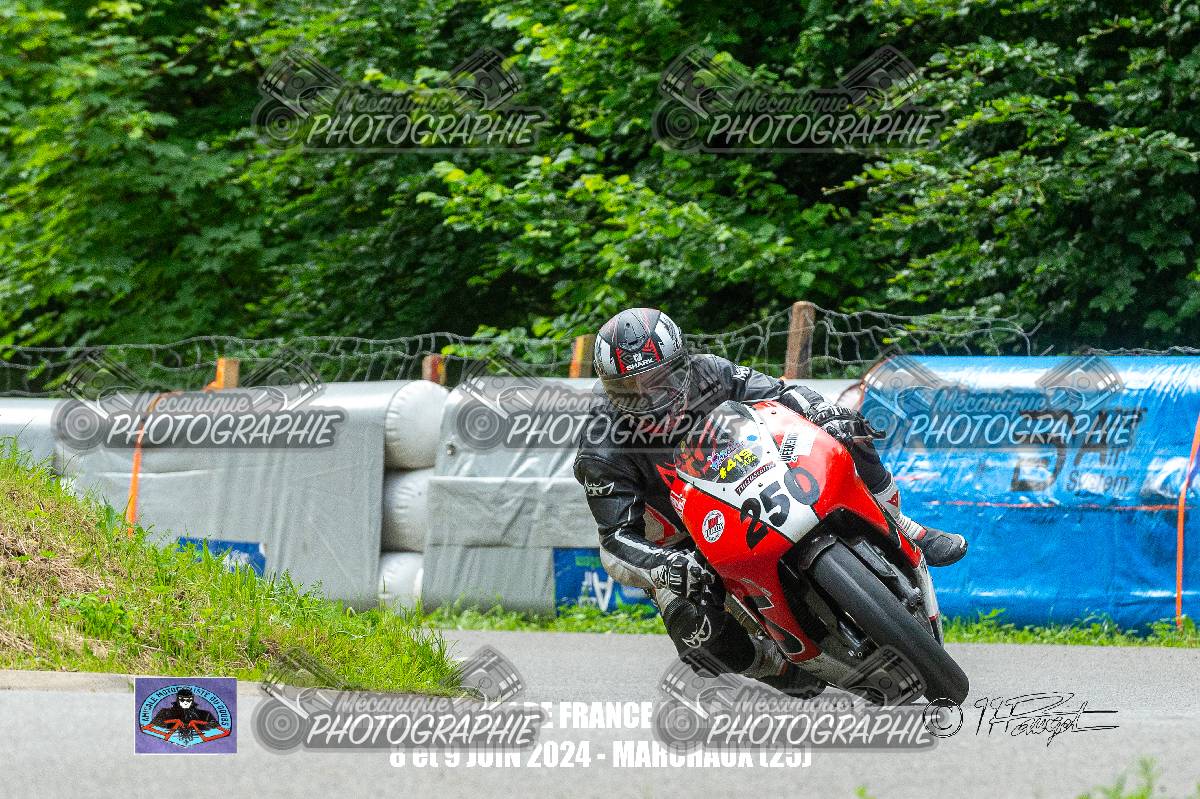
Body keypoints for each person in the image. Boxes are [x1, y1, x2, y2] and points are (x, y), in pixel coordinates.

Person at [573, 307, 966, 694]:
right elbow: (615, 538)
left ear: (683, 364)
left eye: (661, 381)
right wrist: (666, 565)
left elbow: (782, 394)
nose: (650, 399)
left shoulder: (710, 371)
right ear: (611, 391)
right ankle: (769, 664)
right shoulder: (600, 444)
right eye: (631, 391)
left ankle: (903, 525)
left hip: (749, 474)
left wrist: (824, 412)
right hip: (677, 540)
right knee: (696, 634)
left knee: (847, 428)